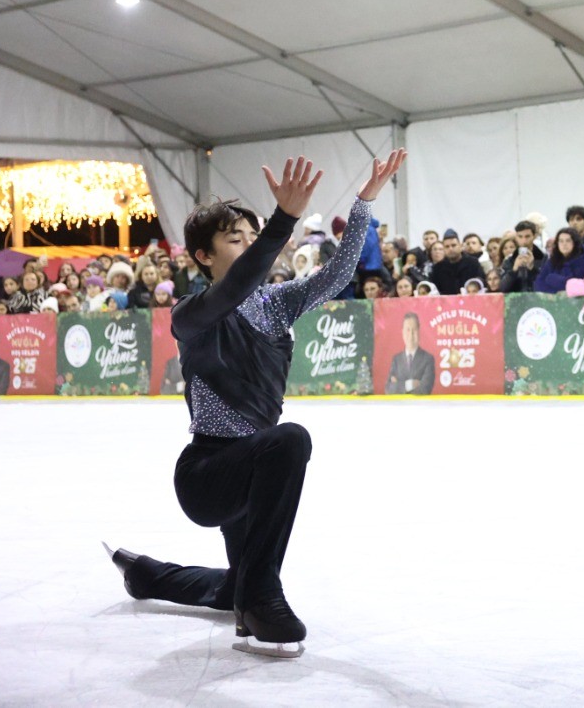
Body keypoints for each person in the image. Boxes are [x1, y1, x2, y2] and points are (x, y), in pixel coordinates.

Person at [103, 149, 405, 659]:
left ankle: (149, 575)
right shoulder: (192, 314)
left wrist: (363, 204)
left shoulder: (277, 302)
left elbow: (334, 277)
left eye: (252, 235)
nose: (247, 245)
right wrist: (284, 221)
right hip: (208, 473)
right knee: (291, 439)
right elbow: (236, 286)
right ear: (203, 255)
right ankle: (261, 602)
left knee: (232, 584)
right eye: (233, 238)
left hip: (257, 472)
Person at [384, 312, 435, 395]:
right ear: (402, 332)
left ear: (419, 331)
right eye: (408, 330)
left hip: (420, 407)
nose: (411, 334)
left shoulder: (428, 359)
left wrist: (398, 385)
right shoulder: (396, 359)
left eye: (414, 330)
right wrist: (410, 384)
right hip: (399, 407)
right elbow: (388, 389)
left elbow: (425, 389)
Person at [535, 229, 584, 294]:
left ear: (575, 243)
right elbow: (538, 283)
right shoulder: (552, 260)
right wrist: (553, 292)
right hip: (552, 301)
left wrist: (551, 278)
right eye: (561, 241)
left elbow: (574, 285)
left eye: (568, 241)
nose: (564, 244)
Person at [429, 229, 483, 295]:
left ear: (460, 246)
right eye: (447, 247)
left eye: (453, 245)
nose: (450, 249)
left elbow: (482, 282)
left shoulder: (473, 263)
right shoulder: (438, 268)